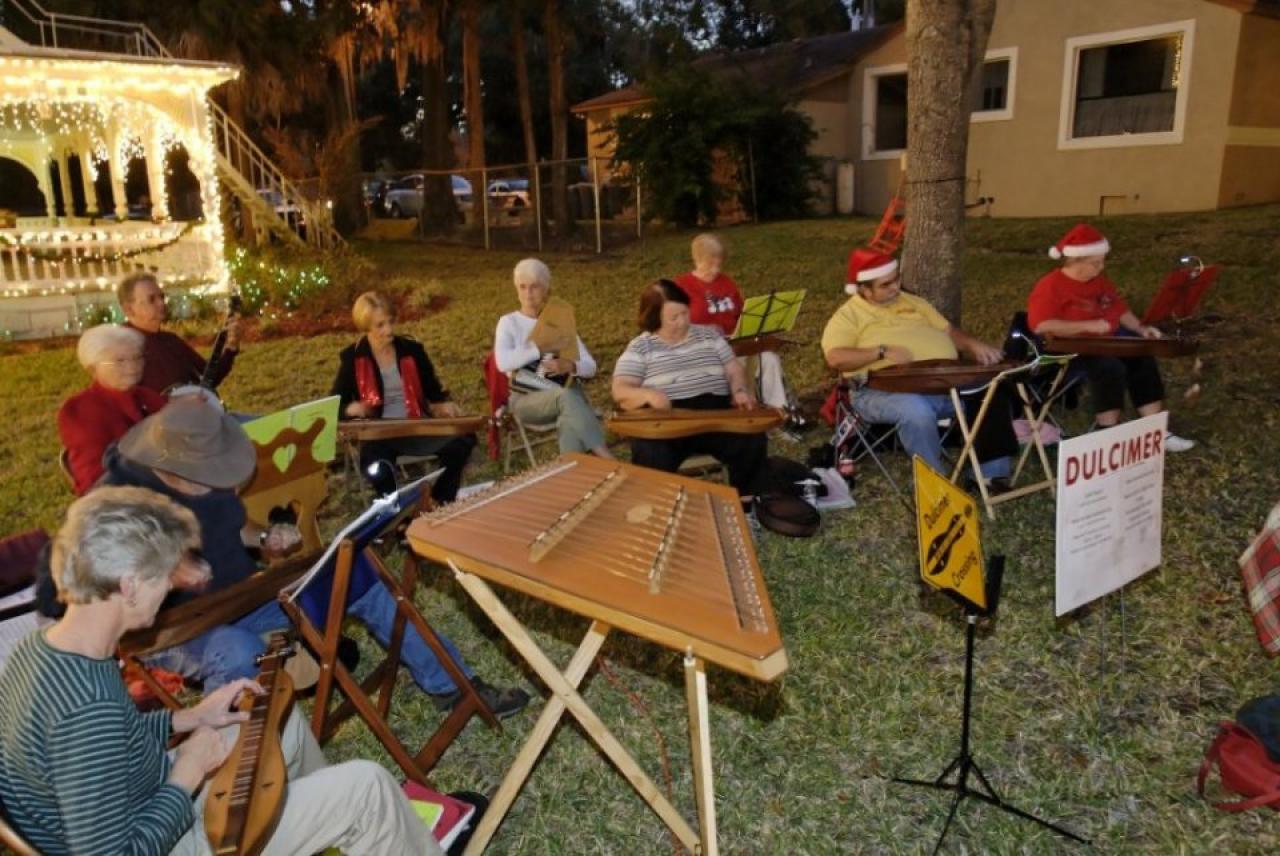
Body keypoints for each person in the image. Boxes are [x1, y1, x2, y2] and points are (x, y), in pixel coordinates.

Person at [0, 486, 442, 855]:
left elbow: (112, 743)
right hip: (160, 838)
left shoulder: (41, 650)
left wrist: (186, 718)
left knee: (271, 719)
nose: (170, 590)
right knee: (368, 788)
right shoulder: (84, 709)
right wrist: (186, 774)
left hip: (139, 797)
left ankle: (324, 829)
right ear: (130, 586)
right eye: (165, 578)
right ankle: (356, 820)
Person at [97, 396, 529, 718]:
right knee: (238, 650)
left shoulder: (207, 479)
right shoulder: (115, 501)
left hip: (243, 600)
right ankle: (236, 769)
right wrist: (166, 572)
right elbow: (80, 592)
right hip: (176, 631)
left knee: (356, 574)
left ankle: (451, 686)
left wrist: (264, 536)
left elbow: (232, 525)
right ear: (172, 467)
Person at [821, 248, 1018, 484]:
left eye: (897, 279)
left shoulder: (913, 301)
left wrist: (974, 345)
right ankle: (934, 485)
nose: (895, 287)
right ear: (864, 290)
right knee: (916, 410)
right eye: (886, 285)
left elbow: (949, 331)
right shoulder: (848, 316)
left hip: (938, 384)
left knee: (993, 389)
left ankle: (989, 475)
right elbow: (835, 358)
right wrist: (880, 351)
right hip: (877, 392)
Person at [1028, 223, 1195, 452]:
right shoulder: (1050, 285)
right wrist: (1087, 325)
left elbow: (1119, 310)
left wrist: (1140, 329)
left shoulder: (1099, 282)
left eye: (1102, 261)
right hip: (1064, 349)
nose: (1101, 267)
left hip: (1102, 343)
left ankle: (1155, 431)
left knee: (1142, 358)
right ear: (1076, 261)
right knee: (1108, 368)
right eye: (1096, 263)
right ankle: (1107, 433)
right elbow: (1041, 325)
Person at [612, 279, 767, 496]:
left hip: (715, 412)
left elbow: (733, 369)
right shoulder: (641, 347)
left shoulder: (709, 335)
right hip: (669, 419)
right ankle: (660, 509)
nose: (683, 321)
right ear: (654, 317)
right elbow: (620, 389)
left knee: (751, 438)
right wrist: (647, 394)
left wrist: (740, 390)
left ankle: (747, 503)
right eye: (673, 318)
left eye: (685, 313)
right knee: (649, 451)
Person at [332, 291, 478, 504]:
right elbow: (334, 405)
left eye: (390, 322)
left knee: (464, 440)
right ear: (366, 327)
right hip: (380, 435)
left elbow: (434, 391)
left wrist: (442, 405)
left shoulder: (412, 350)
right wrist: (350, 409)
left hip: (416, 425)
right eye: (380, 325)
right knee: (375, 463)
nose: (389, 330)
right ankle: (396, 515)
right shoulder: (353, 358)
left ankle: (437, 501)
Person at [493, 258, 613, 458]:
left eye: (534, 287)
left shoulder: (559, 321)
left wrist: (571, 365)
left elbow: (591, 366)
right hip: (525, 398)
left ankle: (573, 472)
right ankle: (606, 457)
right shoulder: (509, 322)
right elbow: (503, 362)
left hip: (562, 393)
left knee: (568, 412)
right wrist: (538, 348)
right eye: (522, 287)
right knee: (568, 398)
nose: (528, 293)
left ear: (546, 289)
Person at [673, 233, 791, 412]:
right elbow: (673, 328)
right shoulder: (681, 286)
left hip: (735, 347)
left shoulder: (727, 283)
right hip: (704, 353)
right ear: (697, 259)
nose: (716, 270)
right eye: (710, 264)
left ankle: (777, 414)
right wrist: (702, 330)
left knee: (769, 359)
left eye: (719, 264)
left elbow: (742, 316)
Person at [58, 324, 167, 495]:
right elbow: (95, 480)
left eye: (138, 357)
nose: (133, 367)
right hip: (122, 501)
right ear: (93, 368)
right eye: (120, 361)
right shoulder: (80, 410)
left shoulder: (149, 397)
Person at [119, 272, 240, 393]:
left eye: (162, 297)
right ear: (129, 309)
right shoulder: (119, 348)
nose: (161, 303)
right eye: (152, 299)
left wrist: (230, 349)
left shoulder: (171, 340)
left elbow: (210, 379)